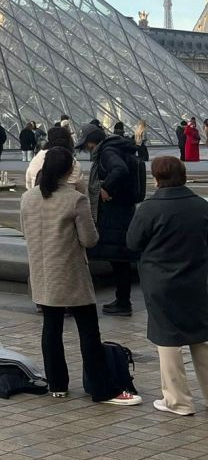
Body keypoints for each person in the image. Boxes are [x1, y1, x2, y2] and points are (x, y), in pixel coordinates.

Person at [21, 146, 140, 406]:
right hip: (70, 272)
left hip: (42, 272)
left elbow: (27, 232)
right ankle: (101, 388)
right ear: (68, 171)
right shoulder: (75, 199)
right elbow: (89, 238)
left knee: (51, 329)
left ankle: (57, 385)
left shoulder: (28, 198)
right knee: (88, 331)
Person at [127, 157, 208, 416]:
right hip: (196, 280)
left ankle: (178, 401)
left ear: (157, 178)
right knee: (202, 338)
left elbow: (132, 242)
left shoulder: (150, 208)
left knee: (168, 340)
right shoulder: (200, 206)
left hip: (160, 283)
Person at [78, 123, 140, 316]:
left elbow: (119, 170)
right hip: (123, 208)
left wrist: (106, 188)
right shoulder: (117, 147)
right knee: (120, 258)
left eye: (87, 144)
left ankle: (123, 302)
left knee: (118, 259)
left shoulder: (107, 151)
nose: (87, 149)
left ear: (91, 141)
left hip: (115, 212)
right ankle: (122, 300)